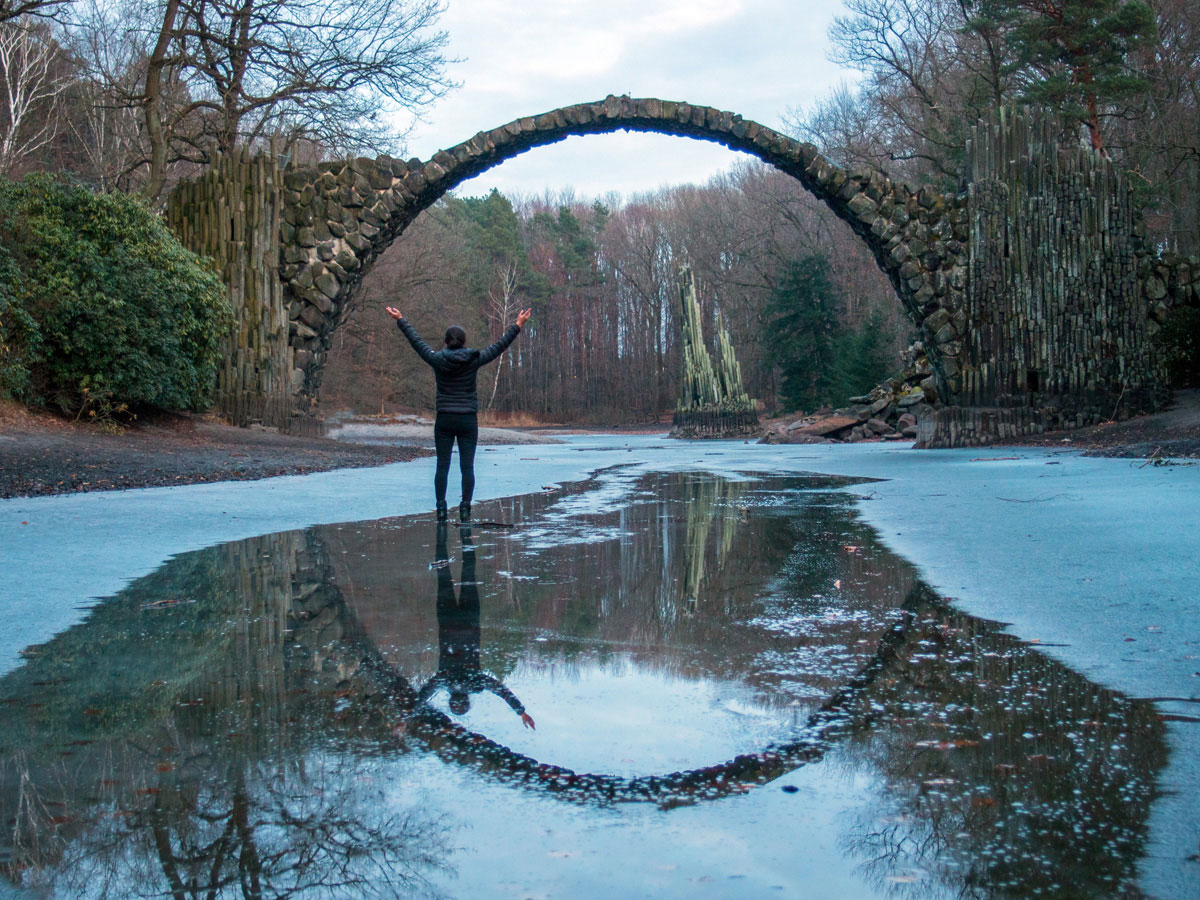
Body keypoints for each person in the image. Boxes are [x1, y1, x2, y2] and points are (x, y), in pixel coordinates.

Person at [386, 305, 532, 522]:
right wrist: (517, 325)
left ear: (446, 342)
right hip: (467, 420)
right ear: (463, 342)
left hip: (444, 418)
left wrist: (401, 319)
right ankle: (465, 508)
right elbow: (499, 347)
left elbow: (416, 342)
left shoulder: (437, 359)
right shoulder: (473, 359)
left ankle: (441, 508)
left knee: (442, 465)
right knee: (467, 467)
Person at [416, 524, 535, 728]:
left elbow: (500, 690)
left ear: (468, 699)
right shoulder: (444, 681)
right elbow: (424, 695)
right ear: (452, 700)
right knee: (443, 576)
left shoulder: (476, 683)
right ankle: (442, 528)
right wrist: (407, 716)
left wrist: (521, 711)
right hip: (448, 622)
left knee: (468, 574)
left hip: (470, 621)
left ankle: (466, 534)